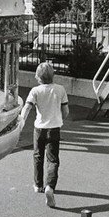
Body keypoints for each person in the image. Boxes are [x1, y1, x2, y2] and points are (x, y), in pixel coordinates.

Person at [20, 62, 69, 208]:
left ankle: (38, 185)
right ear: (52, 75)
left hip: (39, 128)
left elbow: (27, 108)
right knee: (53, 160)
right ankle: (50, 186)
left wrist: (21, 123)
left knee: (38, 156)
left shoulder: (35, 91)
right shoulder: (60, 89)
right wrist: (60, 119)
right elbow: (66, 111)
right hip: (54, 128)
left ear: (38, 76)